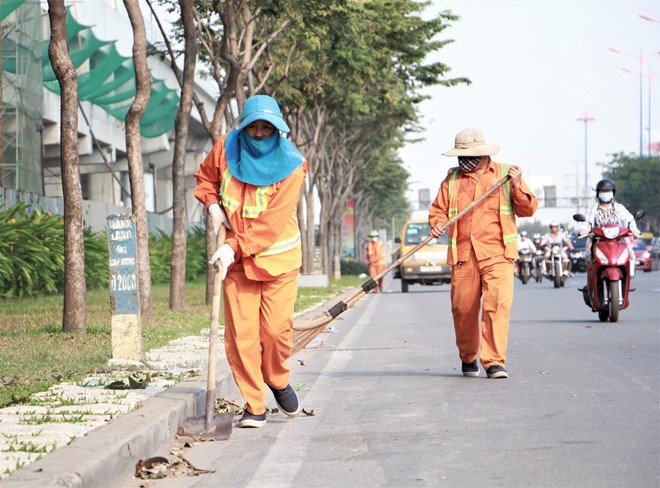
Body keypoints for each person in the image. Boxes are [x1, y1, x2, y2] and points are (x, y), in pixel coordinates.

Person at [193, 95, 307, 428]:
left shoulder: (293, 165)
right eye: (253, 127)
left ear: (278, 130)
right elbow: (205, 179)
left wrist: (232, 247)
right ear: (242, 126)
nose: (258, 133)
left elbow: (271, 224)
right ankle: (254, 404)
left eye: (266, 128)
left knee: (274, 334)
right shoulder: (225, 148)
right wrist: (212, 204)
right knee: (241, 335)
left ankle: (277, 379)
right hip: (237, 266)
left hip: (278, 262)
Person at [428, 128, 537, 379]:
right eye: (461, 156)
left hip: (497, 254)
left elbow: (528, 209)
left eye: (470, 156)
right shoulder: (452, 180)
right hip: (464, 256)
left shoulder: (506, 175)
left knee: (497, 306)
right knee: (462, 309)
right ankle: (468, 358)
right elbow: (438, 210)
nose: (464, 161)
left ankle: (494, 362)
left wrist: (518, 186)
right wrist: (437, 222)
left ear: (483, 153)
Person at [580, 178, 640, 276]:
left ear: (613, 193)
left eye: (608, 191)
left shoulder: (619, 208)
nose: (606, 193)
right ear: (598, 193)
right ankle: (591, 284)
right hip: (597, 240)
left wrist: (634, 228)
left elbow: (629, 220)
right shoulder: (592, 209)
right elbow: (585, 222)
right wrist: (584, 229)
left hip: (618, 240)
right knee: (589, 258)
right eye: (603, 191)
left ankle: (628, 276)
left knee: (631, 255)